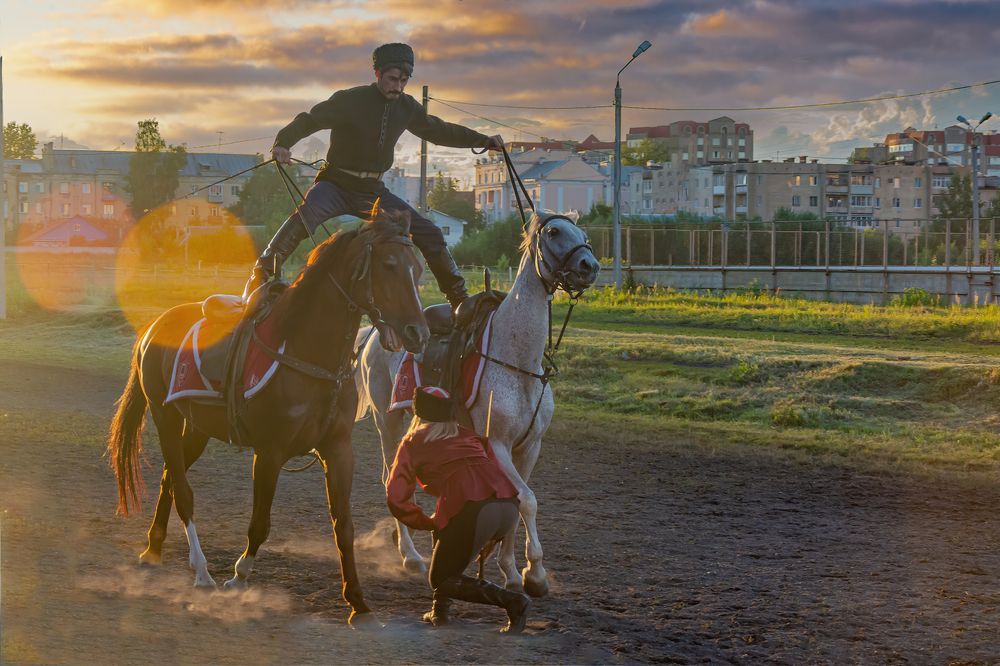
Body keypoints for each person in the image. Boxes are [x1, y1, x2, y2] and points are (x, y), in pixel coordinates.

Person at [244, 42, 504, 310]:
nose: (398, 86)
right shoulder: (350, 100)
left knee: (431, 232)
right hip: (335, 184)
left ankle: (460, 301)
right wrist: (283, 143)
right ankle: (260, 275)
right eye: (393, 79)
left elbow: (440, 131)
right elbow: (311, 119)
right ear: (378, 73)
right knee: (304, 219)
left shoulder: (407, 107)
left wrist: (483, 140)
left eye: (404, 81)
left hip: (373, 192)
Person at [386, 386, 530, 634]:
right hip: (508, 507)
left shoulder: (413, 441)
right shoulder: (472, 437)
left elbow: (396, 497)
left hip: (474, 509)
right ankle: (439, 612)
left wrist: (424, 521)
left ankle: (514, 602)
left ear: (417, 413)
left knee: (440, 577)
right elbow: (494, 476)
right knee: (445, 539)